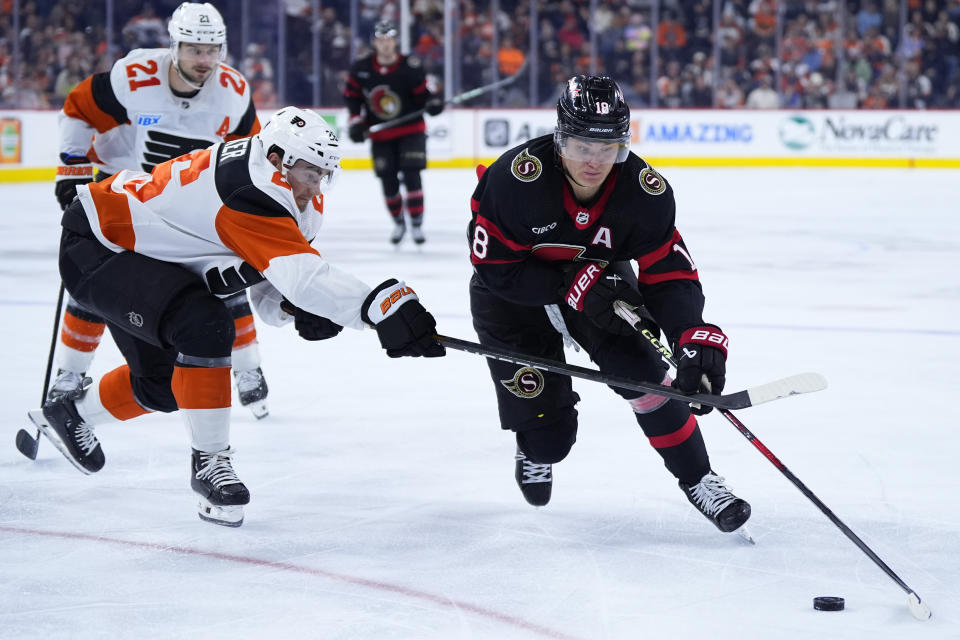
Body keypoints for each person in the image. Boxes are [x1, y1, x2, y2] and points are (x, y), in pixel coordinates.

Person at [30, 106, 445, 527]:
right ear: (280, 159)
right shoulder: (248, 189)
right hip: (101, 246)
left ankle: (70, 414)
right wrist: (381, 306)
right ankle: (210, 465)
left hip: (151, 259)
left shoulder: (290, 192)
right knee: (204, 324)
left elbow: (270, 278)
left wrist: (291, 307)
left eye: (323, 174)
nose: (315, 185)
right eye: (309, 173)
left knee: (165, 387)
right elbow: (303, 278)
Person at [466, 75, 751, 535]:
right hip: (511, 298)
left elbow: (670, 274)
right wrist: (565, 284)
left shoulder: (644, 192)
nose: (594, 161)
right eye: (581, 146)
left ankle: (700, 479)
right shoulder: (516, 180)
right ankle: (534, 448)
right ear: (560, 138)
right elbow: (494, 266)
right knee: (551, 440)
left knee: (647, 380)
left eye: (608, 147)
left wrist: (691, 334)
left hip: (600, 283)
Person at [52, 2, 272, 419]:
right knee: (98, 281)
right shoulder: (133, 77)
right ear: (174, 46)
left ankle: (248, 367)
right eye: (194, 49)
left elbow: (252, 153)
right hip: (122, 193)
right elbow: (79, 109)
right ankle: (69, 373)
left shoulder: (235, 91)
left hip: (187, 203)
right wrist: (72, 173)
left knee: (223, 279)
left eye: (213, 50)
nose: (205, 60)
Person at [343, 19, 445, 245]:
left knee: (412, 174)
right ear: (375, 42)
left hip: (411, 130)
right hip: (381, 135)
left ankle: (417, 224)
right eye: (381, 40)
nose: (386, 44)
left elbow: (424, 96)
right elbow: (352, 98)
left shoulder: (411, 66)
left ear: (395, 41)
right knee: (388, 181)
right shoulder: (361, 69)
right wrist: (356, 122)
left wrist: (433, 103)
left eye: (389, 40)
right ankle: (399, 222)